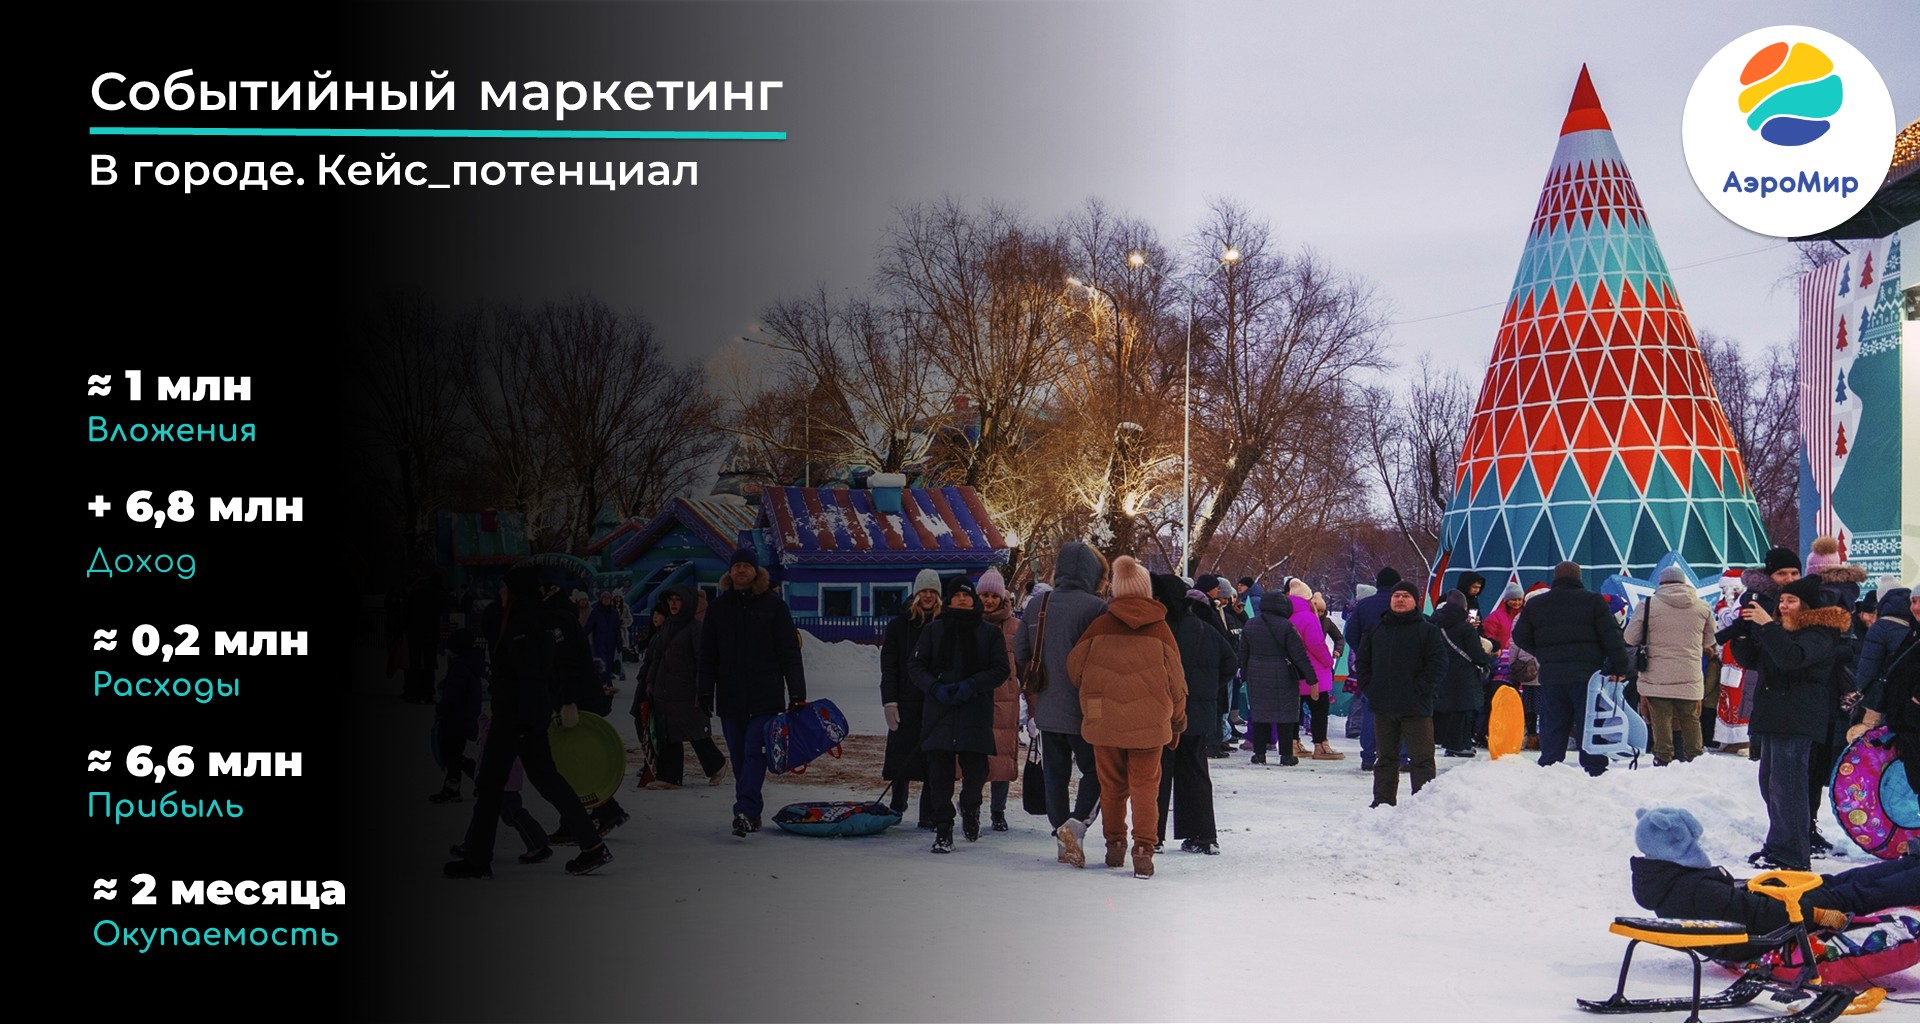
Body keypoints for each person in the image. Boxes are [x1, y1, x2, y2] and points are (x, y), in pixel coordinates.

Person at [446, 566, 611, 878]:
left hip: (516, 717)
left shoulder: (524, 624)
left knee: (491, 784)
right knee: (545, 781)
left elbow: (531, 676)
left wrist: (526, 718)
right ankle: (592, 846)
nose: (499, 592)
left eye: (504, 587)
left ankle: (477, 858)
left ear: (515, 591)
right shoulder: (526, 619)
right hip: (523, 716)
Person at [1628, 807, 1920, 939]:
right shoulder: (1693, 889)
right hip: (1784, 917)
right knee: (1855, 892)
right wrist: (1818, 915)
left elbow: (1736, 904)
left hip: (1776, 903)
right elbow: (1760, 917)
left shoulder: (1664, 879)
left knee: (1843, 880)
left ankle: (1910, 864)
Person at [1067, 556, 1186, 878]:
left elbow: (1074, 669)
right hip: (1150, 723)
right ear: (1146, 589)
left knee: (1112, 788)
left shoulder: (1099, 626)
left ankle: (1115, 846)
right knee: (1146, 789)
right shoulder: (1161, 629)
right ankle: (1144, 850)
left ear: (1116, 589)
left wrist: (1096, 689)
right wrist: (1178, 720)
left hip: (1104, 721)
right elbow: (1177, 682)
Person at [1731, 575, 1851, 870]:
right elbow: (1753, 660)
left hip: (1798, 718)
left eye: (1791, 601)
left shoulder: (1819, 633)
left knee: (1789, 787)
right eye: (1782, 600)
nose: (1783, 605)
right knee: (1771, 784)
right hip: (1774, 715)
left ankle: (1793, 855)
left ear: (1806, 605)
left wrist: (1768, 627)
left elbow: (1790, 658)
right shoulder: (1781, 629)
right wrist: (1743, 634)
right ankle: (1778, 845)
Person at [700, 547, 807, 838]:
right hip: (730, 696)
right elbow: (708, 656)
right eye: (737, 566)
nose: (741, 570)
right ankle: (752, 811)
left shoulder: (774, 606)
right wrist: (704, 692)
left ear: (756, 571)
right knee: (738, 757)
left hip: (765, 696)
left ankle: (745, 810)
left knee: (754, 751)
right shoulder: (718, 609)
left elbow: (789, 653)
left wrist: (797, 692)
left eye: (747, 565)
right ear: (730, 572)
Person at [1014, 541, 1109, 868]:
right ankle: (1076, 823)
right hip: (1086, 710)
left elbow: (1021, 653)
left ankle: (1059, 832)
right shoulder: (1097, 608)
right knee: (1096, 771)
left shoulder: (1036, 604)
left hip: (1048, 708)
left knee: (1054, 775)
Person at [909, 577, 1011, 853]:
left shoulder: (989, 633)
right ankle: (943, 829)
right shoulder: (933, 630)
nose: (962, 599)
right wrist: (934, 688)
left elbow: (1001, 669)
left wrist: (973, 685)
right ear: (950, 599)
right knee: (939, 776)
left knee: (976, 774)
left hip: (974, 712)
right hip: (940, 712)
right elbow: (916, 666)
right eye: (957, 595)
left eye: (967, 595)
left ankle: (970, 807)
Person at [1513, 561, 1631, 776]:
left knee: (1553, 721)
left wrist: (1542, 652)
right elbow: (1612, 637)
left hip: (1552, 674)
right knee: (1588, 719)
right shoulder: (1593, 601)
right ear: (1579, 577)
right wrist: (1619, 667)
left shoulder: (1537, 604)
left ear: (1555, 578)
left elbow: (1519, 635)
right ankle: (1594, 767)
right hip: (1587, 674)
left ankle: (1550, 764)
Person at [1155, 574, 1235, 854]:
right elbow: (1230, 662)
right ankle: (1203, 835)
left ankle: (1152, 835)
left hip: (1163, 710)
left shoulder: (1158, 630)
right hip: (1198, 712)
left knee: (1158, 772)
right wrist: (1207, 689)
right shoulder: (1205, 628)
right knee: (1196, 772)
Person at [1353, 581, 1447, 807]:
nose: (1400, 600)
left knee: (1421, 759)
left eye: (1406, 596)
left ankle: (1422, 804)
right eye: (1396, 596)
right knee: (1385, 758)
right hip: (1383, 706)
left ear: (1415, 601)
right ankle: (1382, 802)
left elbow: (1438, 665)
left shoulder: (1428, 630)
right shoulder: (1376, 629)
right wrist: (1370, 688)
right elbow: (1363, 662)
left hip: (1416, 707)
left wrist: (1420, 689)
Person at [1623, 566, 1717, 765]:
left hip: (1657, 674)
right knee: (1690, 718)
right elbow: (1710, 640)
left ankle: (1663, 758)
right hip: (1689, 673)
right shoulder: (1703, 607)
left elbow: (1630, 638)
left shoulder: (1647, 605)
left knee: (1660, 718)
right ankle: (1696, 759)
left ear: (1661, 582)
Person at [641, 585, 727, 789]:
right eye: (670, 599)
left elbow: (702, 660)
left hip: (687, 691)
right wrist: (650, 681)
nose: (673, 604)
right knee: (667, 733)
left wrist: (701, 689)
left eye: (678, 600)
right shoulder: (668, 625)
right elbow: (657, 657)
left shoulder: (695, 628)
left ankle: (717, 765)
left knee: (695, 732)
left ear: (687, 603)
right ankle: (670, 778)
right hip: (664, 689)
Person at [882, 570, 942, 824]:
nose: (928, 596)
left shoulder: (944, 623)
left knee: (933, 758)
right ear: (916, 594)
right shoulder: (899, 625)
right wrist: (890, 701)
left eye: (932, 592)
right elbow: (889, 666)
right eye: (923, 591)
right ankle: (897, 805)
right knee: (901, 756)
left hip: (935, 700)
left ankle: (928, 813)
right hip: (905, 699)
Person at [1238, 588, 1315, 766]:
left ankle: (1259, 754)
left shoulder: (1250, 624)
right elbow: (1299, 655)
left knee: (1260, 714)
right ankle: (1286, 755)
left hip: (1256, 674)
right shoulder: (1287, 626)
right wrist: (1311, 678)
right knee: (1285, 715)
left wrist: (1246, 673)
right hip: (1284, 674)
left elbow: (1243, 653)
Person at [976, 569, 1022, 832]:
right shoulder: (968, 624)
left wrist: (1032, 705)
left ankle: (998, 811)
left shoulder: (1015, 628)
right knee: (975, 758)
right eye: (985, 595)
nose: (989, 600)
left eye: (994, 596)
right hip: (976, 698)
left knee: (1002, 757)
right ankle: (971, 806)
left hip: (1005, 701)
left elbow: (1024, 664)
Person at [1344, 568, 1403, 770]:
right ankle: (1402, 756)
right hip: (1400, 664)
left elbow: (1350, 633)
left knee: (1370, 709)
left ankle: (1368, 756)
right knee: (1401, 710)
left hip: (1371, 664)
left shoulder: (1364, 605)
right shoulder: (1404, 603)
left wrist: (1362, 651)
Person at [1283, 578, 1342, 760]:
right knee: (1319, 709)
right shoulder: (1309, 617)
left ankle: (1293, 743)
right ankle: (1320, 745)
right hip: (1314, 671)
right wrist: (1328, 662)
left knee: (1295, 710)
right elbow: (1316, 644)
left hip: (1293, 670)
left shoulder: (1287, 615)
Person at [1431, 590, 1490, 758]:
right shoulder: (1465, 628)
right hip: (1464, 674)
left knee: (1448, 710)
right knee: (1463, 711)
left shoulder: (1435, 624)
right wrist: (1488, 659)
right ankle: (1459, 745)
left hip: (1442, 671)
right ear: (1464, 607)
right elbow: (1476, 654)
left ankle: (1452, 744)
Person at [428, 629, 484, 803]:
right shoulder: (469, 666)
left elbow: (452, 697)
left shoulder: (460, 668)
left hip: (456, 720)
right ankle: (468, 781)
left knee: (450, 754)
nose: (448, 652)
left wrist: (441, 709)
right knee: (453, 754)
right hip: (464, 719)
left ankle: (473, 779)